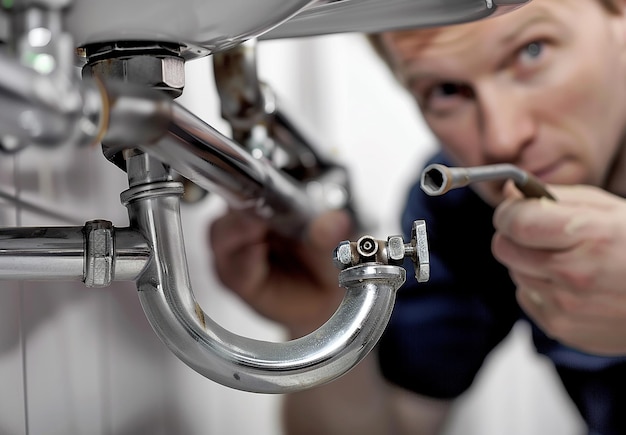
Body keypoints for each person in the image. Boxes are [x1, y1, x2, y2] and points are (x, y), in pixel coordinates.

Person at [209, 0, 626, 433]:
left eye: (532, 51)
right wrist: (319, 322)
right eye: (445, 91)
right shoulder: (461, 209)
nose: (503, 137)